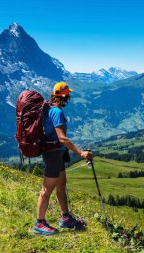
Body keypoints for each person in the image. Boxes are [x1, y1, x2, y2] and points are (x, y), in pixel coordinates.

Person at [33, 81, 93, 235]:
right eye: (68, 94)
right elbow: (63, 139)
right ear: (64, 95)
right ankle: (39, 223)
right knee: (46, 190)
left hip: (55, 153)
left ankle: (65, 218)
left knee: (61, 184)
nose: (69, 97)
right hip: (53, 154)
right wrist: (81, 153)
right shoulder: (57, 112)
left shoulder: (48, 108)